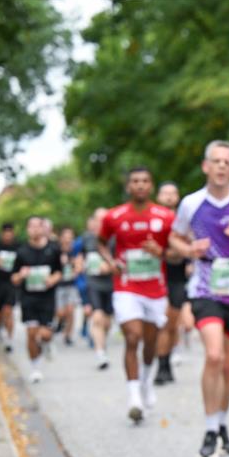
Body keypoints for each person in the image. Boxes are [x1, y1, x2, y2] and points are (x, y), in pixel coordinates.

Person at [170, 141, 229, 457]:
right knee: (214, 355)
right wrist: (187, 250)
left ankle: (221, 422)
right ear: (205, 166)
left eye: (227, 162)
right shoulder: (191, 204)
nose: (221, 166)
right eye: (215, 161)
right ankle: (209, 430)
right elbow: (174, 237)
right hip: (206, 289)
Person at [96, 168, 176, 423]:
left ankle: (146, 384)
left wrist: (161, 252)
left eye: (144, 181)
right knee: (133, 336)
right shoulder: (114, 216)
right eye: (135, 182)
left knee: (150, 344)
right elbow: (100, 242)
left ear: (150, 186)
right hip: (126, 287)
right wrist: (111, 260)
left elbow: (177, 252)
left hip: (155, 290)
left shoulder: (165, 217)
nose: (140, 185)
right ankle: (134, 398)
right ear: (128, 187)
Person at [11, 216, 62, 383]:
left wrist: (52, 280)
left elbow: (59, 272)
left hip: (47, 298)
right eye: (30, 227)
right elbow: (14, 278)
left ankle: (47, 343)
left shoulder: (53, 249)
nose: (34, 230)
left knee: (45, 334)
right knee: (31, 334)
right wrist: (21, 275)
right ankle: (35, 368)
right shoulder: (21, 251)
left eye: (37, 226)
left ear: (43, 228)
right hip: (28, 297)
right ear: (27, 230)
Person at [155, 181, 185, 384]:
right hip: (153, 277)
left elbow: (185, 251)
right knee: (160, 324)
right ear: (158, 196)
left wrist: (166, 253)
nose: (168, 196)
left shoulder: (183, 221)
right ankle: (160, 365)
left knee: (171, 324)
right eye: (164, 193)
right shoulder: (150, 219)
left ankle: (163, 365)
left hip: (177, 277)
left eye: (172, 193)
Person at [81, 208, 115, 369]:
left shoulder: (114, 239)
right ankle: (100, 353)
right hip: (92, 283)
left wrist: (110, 267)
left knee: (107, 322)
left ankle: (102, 342)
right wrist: (78, 263)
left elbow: (123, 260)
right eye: (98, 219)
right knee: (97, 317)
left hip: (111, 284)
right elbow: (80, 255)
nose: (101, 223)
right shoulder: (87, 238)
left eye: (104, 219)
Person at [0, 223, 19, 352]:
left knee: (8, 310)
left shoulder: (18, 246)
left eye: (10, 233)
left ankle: (9, 340)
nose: (7, 235)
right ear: (2, 234)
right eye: (5, 233)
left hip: (11, 284)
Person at [54, 226, 83, 346]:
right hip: (58, 285)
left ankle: (68, 335)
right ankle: (60, 323)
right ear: (61, 238)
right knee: (60, 312)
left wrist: (73, 264)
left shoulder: (75, 252)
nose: (67, 240)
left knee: (71, 310)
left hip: (71, 285)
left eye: (70, 238)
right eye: (65, 237)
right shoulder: (55, 251)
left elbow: (79, 268)